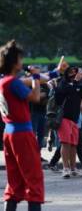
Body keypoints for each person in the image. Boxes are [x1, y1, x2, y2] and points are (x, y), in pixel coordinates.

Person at [0, 40, 44, 211]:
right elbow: (35, 97)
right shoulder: (13, 82)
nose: (22, 62)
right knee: (34, 179)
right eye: (20, 58)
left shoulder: (3, 82)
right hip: (22, 133)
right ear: (14, 61)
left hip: (9, 132)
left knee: (14, 180)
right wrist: (36, 77)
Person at [55, 66, 82, 178]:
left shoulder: (78, 86)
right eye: (72, 71)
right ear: (67, 73)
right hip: (64, 118)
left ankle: (73, 168)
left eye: (76, 71)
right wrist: (76, 80)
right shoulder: (63, 83)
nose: (74, 73)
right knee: (65, 143)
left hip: (75, 119)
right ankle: (65, 168)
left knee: (73, 145)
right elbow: (66, 92)